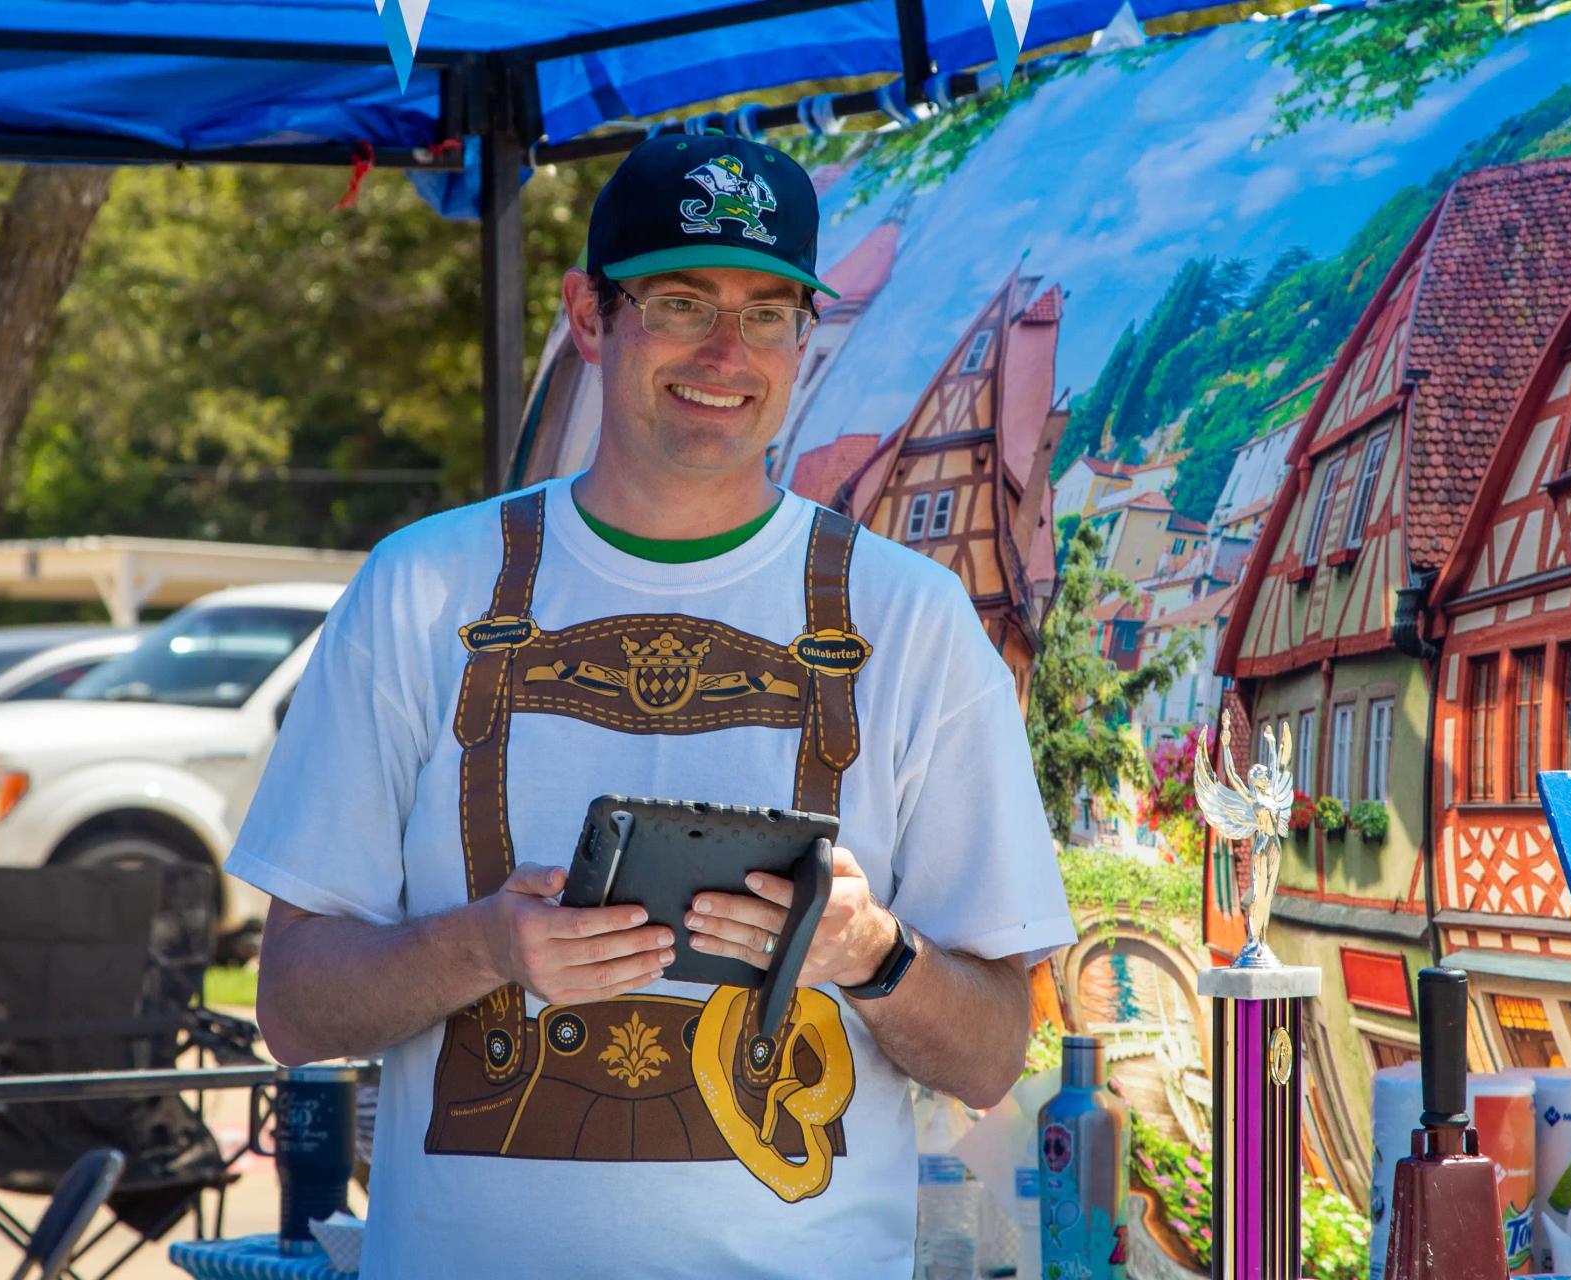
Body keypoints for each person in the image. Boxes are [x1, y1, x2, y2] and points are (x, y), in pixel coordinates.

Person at [233, 133, 1073, 1278]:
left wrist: (870, 951)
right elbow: (292, 1002)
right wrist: (485, 942)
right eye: (681, 301)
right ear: (590, 316)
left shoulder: (913, 619)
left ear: (804, 338)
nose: (728, 351)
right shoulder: (423, 588)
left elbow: (991, 1052)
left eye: (769, 311)